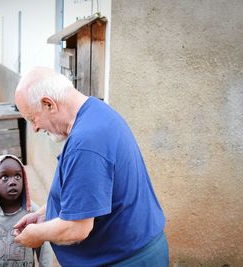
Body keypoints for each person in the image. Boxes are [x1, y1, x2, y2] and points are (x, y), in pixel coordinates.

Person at [13, 67, 169, 266]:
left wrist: (38, 234)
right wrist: (45, 214)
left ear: (48, 104)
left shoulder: (86, 143)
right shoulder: (95, 110)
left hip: (125, 260)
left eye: (32, 118)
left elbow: (77, 228)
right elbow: (86, 196)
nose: (34, 128)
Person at [0, 154, 53, 266]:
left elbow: (45, 248)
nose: (13, 182)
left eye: (18, 176)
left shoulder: (33, 212)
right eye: (4, 177)